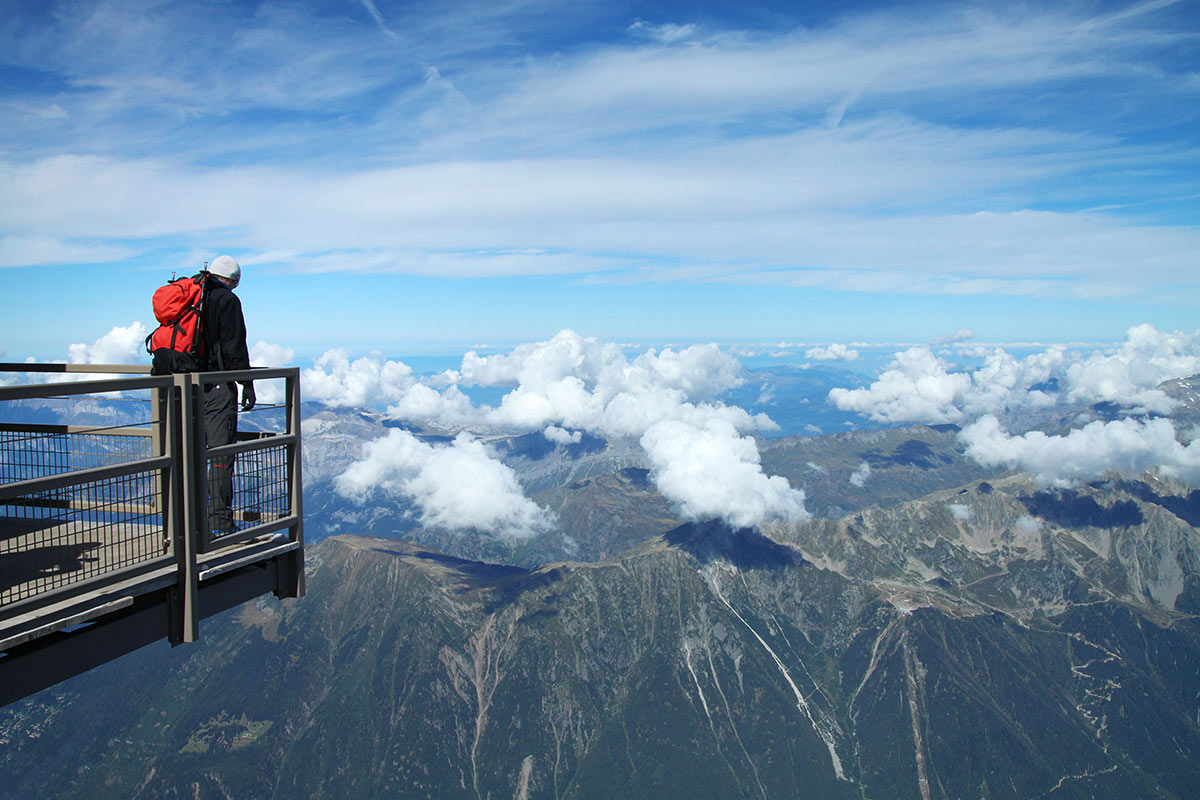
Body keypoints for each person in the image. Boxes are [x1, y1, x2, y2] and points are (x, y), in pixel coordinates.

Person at [202, 255, 255, 534]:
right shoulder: (227, 300)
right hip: (216, 388)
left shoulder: (190, 295)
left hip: (178, 386)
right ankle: (221, 523)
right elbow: (234, 346)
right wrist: (246, 383)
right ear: (234, 281)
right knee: (221, 456)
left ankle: (185, 523)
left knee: (186, 454)